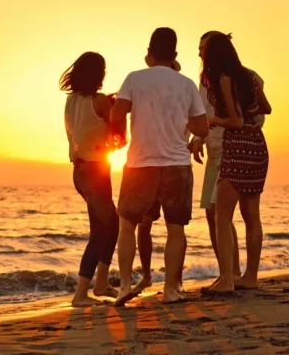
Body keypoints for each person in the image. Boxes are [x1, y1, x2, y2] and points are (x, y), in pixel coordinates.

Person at [110, 28, 209, 305]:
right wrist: (179, 121)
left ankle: (125, 286)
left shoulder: (134, 78)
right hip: (177, 164)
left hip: (140, 164)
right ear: (174, 55)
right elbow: (202, 128)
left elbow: (117, 114)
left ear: (149, 53)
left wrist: (120, 133)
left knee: (127, 225)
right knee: (175, 228)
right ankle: (169, 290)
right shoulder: (186, 84)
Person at [189, 32, 267, 282]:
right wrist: (200, 137)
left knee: (220, 213)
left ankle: (229, 275)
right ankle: (242, 275)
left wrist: (216, 123)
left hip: (231, 148)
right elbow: (264, 110)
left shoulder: (219, 78)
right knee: (237, 213)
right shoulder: (245, 76)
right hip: (242, 147)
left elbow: (236, 119)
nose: (200, 53)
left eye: (204, 48)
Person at [61, 51, 121, 306]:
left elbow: (85, 126)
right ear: (98, 75)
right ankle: (81, 294)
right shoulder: (100, 101)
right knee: (101, 230)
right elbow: (118, 136)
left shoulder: (72, 100)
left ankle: (101, 284)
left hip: (80, 171)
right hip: (96, 171)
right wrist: (117, 108)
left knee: (111, 223)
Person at [129, 59, 186, 299]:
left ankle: (175, 280)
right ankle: (147, 276)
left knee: (176, 226)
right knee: (145, 224)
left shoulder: (180, 95)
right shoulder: (150, 95)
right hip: (149, 166)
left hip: (172, 165)